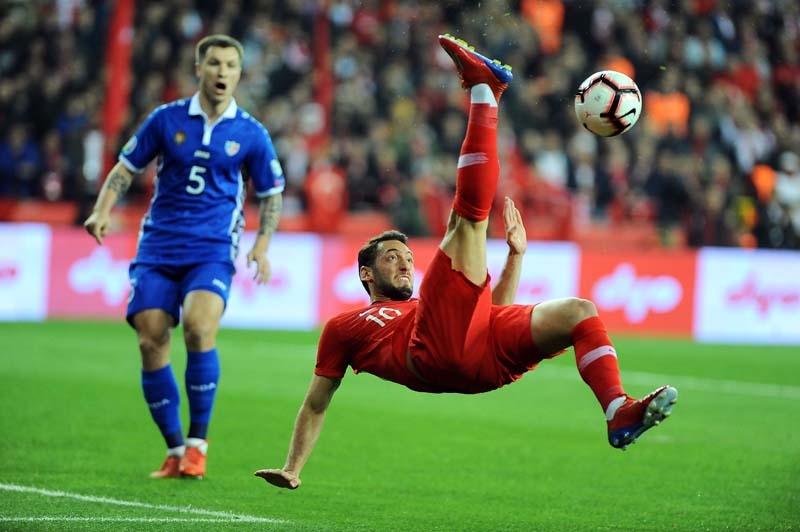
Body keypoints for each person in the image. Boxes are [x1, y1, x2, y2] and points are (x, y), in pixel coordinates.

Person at [254, 34, 677, 490]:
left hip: (481, 363)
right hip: (432, 354)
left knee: (579, 312)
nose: (404, 264)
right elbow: (317, 402)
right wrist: (292, 467)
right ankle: (484, 91)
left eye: (406, 257)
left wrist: (516, 256)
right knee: (467, 224)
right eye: (392, 258)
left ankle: (618, 411)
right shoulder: (346, 327)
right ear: (365, 274)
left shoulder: (425, 305)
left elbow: (488, 315)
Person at [84, 34, 285, 480]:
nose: (222, 72)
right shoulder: (166, 119)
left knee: (198, 327)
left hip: (212, 249)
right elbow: (125, 169)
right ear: (199, 68)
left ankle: (197, 445)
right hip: (158, 246)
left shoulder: (250, 133)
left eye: (231, 65)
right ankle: (175, 449)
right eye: (214, 63)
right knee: (150, 338)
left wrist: (262, 244)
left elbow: (272, 194)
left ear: (239, 73)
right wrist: (101, 210)